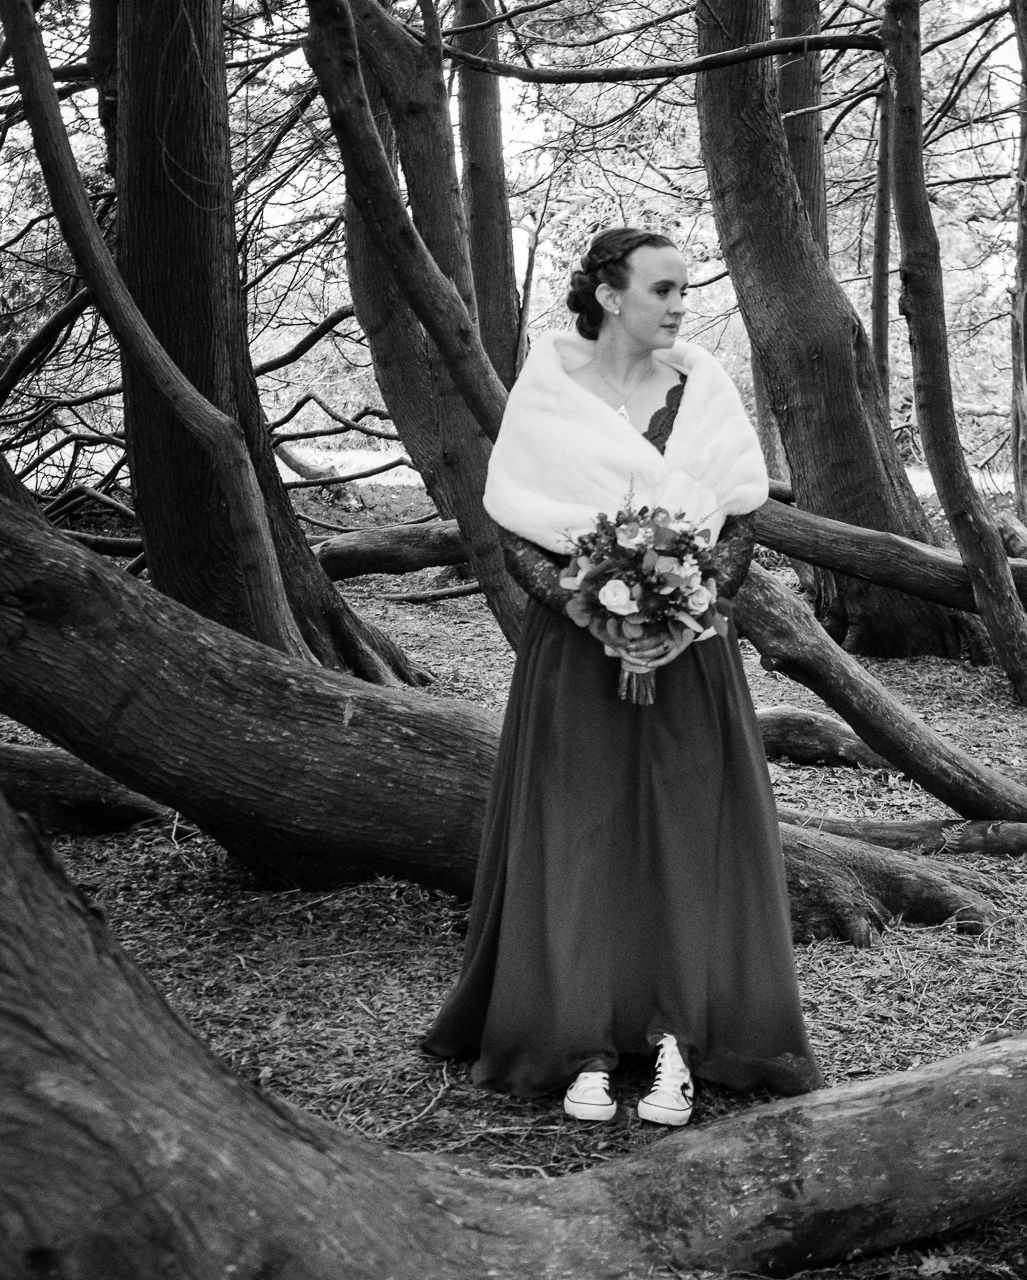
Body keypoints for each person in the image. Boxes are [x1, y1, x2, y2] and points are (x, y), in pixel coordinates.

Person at [420, 228, 823, 1126]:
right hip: (576, 658)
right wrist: (588, 613)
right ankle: (581, 1045)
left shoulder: (705, 388)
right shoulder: (545, 391)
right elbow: (515, 529)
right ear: (609, 294)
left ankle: (680, 1042)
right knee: (579, 834)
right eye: (664, 289)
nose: (682, 304)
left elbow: (741, 522)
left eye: (686, 289)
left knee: (689, 836)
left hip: (692, 656)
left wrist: (683, 612)